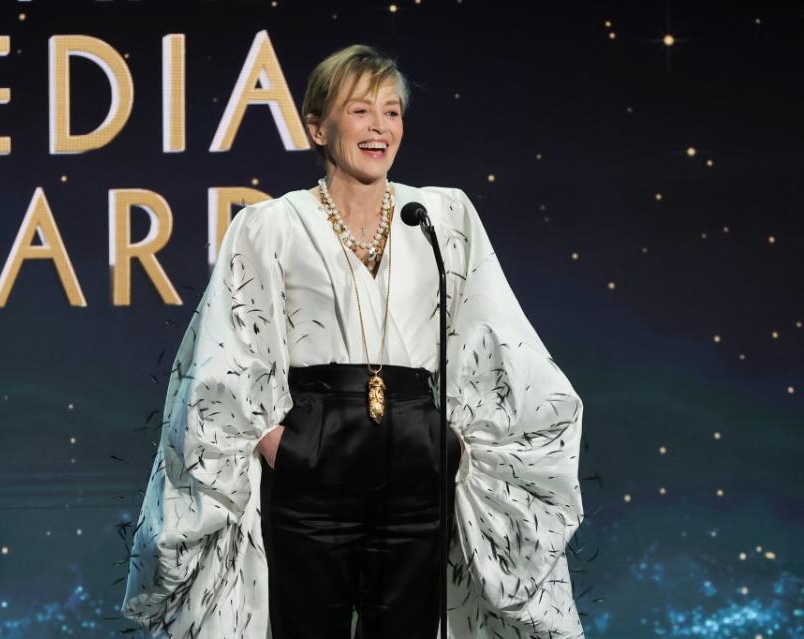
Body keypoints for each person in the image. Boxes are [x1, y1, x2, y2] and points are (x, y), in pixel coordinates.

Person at [121, 44, 586, 639]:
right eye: (361, 110)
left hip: (417, 453)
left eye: (392, 112)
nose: (380, 127)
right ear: (318, 125)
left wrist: (451, 441)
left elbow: (488, 332)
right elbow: (228, 344)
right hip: (314, 447)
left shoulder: (441, 215)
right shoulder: (272, 224)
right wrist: (274, 442)